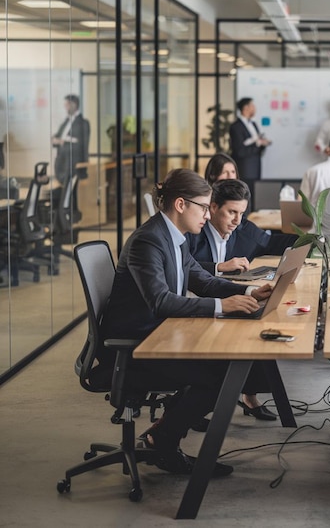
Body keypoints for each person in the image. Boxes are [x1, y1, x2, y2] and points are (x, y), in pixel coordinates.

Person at [101, 168, 274, 475]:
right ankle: (162, 442)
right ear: (181, 205)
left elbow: (204, 281)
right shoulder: (149, 241)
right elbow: (161, 301)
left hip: (161, 333)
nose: (208, 215)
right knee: (221, 373)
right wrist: (224, 306)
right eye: (204, 208)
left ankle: (161, 439)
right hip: (135, 346)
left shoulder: (175, 237)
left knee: (224, 366)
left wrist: (249, 291)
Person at [229, 97, 270, 209]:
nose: (255, 109)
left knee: (252, 196)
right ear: (246, 108)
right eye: (252, 106)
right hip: (244, 167)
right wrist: (257, 144)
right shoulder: (235, 127)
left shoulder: (254, 124)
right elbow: (239, 151)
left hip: (255, 166)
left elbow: (256, 145)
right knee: (243, 196)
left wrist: (262, 144)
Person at [51, 94, 90, 185]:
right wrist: (55, 140)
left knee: (71, 189)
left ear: (74, 105)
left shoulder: (83, 123)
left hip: (72, 162)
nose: (65, 107)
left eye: (67, 105)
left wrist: (64, 142)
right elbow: (58, 135)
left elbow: (82, 144)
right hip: (61, 161)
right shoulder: (66, 121)